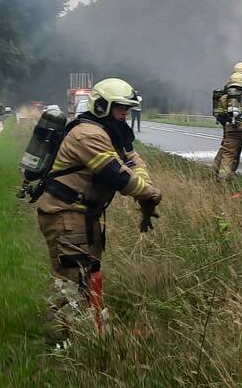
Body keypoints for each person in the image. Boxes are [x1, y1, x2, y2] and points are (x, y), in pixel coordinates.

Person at [35, 77, 162, 338]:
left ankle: (90, 332)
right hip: (65, 214)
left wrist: (145, 187)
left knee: (89, 274)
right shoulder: (88, 135)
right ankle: (61, 338)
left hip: (82, 214)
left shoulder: (111, 132)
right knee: (72, 280)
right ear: (103, 106)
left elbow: (134, 161)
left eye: (128, 107)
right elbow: (117, 175)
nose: (125, 113)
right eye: (120, 107)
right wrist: (150, 193)